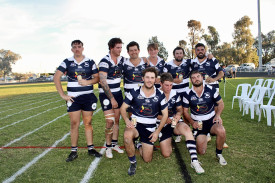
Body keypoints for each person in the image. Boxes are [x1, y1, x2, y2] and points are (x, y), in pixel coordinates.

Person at [54, 40, 102, 162]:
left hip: (87, 96)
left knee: (88, 123)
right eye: (74, 47)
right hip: (73, 98)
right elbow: (56, 77)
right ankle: (74, 151)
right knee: (74, 123)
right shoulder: (67, 61)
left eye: (79, 47)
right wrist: (63, 95)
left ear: (82, 48)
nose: (77, 49)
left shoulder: (90, 61)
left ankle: (91, 148)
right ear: (72, 49)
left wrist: (88, 82)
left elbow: (97, 78)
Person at [120, 67, 168, 176]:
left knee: (147, 159)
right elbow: (123, 108)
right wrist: (127, 120)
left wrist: (157, 132)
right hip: (135, 124)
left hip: (150, 128)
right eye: (147, 77)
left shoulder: (160, 95)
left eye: (152, 78)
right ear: (143, 78)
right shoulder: (134, 92)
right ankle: (132, 162)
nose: (149, 80)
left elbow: (165, 114)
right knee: (127, 136)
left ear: (155, 79)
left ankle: (138, 145)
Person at [157, 73, 204, 174]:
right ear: (161, 84)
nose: (169, 88)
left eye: (171, 85)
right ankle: (164, 137)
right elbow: (150, 113)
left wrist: (178, 115)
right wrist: (163, 118)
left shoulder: (175, 93)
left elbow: (179, 109)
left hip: (174, 121)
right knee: (166, 153)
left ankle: (194, 161)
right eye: (166, 85)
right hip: (161, 123)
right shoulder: (155, 93)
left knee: (186, 129)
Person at [182, 70, 227, 166]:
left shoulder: (211, 89)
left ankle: (219, 154)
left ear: (202, 77)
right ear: (191, 80)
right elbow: (185, 112)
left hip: (211, 121)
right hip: (198, 124)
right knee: (201, 152)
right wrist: (192, 122)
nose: (196, 79)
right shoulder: (187, 93)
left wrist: (218, 115)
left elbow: (221, 103)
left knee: (221, 130)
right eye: (193, 78)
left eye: (198, 76)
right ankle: (199, 135)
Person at [98, 38, 125, 158]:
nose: (120, 49)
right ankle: (108, 147)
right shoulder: (104, 61)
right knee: (110, 121)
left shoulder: (121, 59)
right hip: (106, 94)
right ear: (111, 48)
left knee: (117, 121)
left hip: (118, 92)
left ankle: (114, 144)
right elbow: (102, 81)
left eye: (121, 47)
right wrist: (112, 99)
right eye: (118, 47)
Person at [163, 47, 192, 143]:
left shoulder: (188, 63)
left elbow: (199, 63)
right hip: (174, 92)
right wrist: (173, 80)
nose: (179, 55)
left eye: (180, 53)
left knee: (185, 112)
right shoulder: (168, 65)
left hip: (185, 91)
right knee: (175, 113)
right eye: (177, 53)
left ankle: (187, 132)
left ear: (183, 54)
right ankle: (177, 133)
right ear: (174, 54)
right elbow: (164, 77)